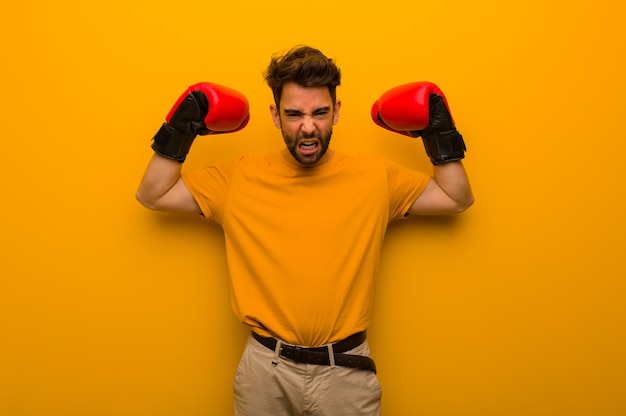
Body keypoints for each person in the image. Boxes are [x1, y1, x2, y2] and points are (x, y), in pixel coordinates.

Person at [136, 45, 473, 416]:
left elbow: (455, 198)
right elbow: (154, 194)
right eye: (294, 114)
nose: (308, 127)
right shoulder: (238, 178)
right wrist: (181, 130)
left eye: (320, 113)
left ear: (337, 112)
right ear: (275, 116)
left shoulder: (376, 177)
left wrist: (438, 134)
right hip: (266, 370)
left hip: (346, 372)